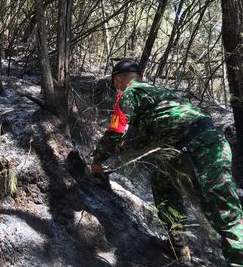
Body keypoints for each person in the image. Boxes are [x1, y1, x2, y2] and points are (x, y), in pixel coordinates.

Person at [91, 58, 243, 267]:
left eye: (114, 83)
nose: (115, 87)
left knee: (222, 206)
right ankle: (179, 248)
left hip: (201, 147)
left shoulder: (129, 93)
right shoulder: (157, 92)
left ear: (117, 80)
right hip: (193, 144)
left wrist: (97, 161)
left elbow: (116, 131)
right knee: (163, 184)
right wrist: (126, 147)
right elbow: (158, 129)